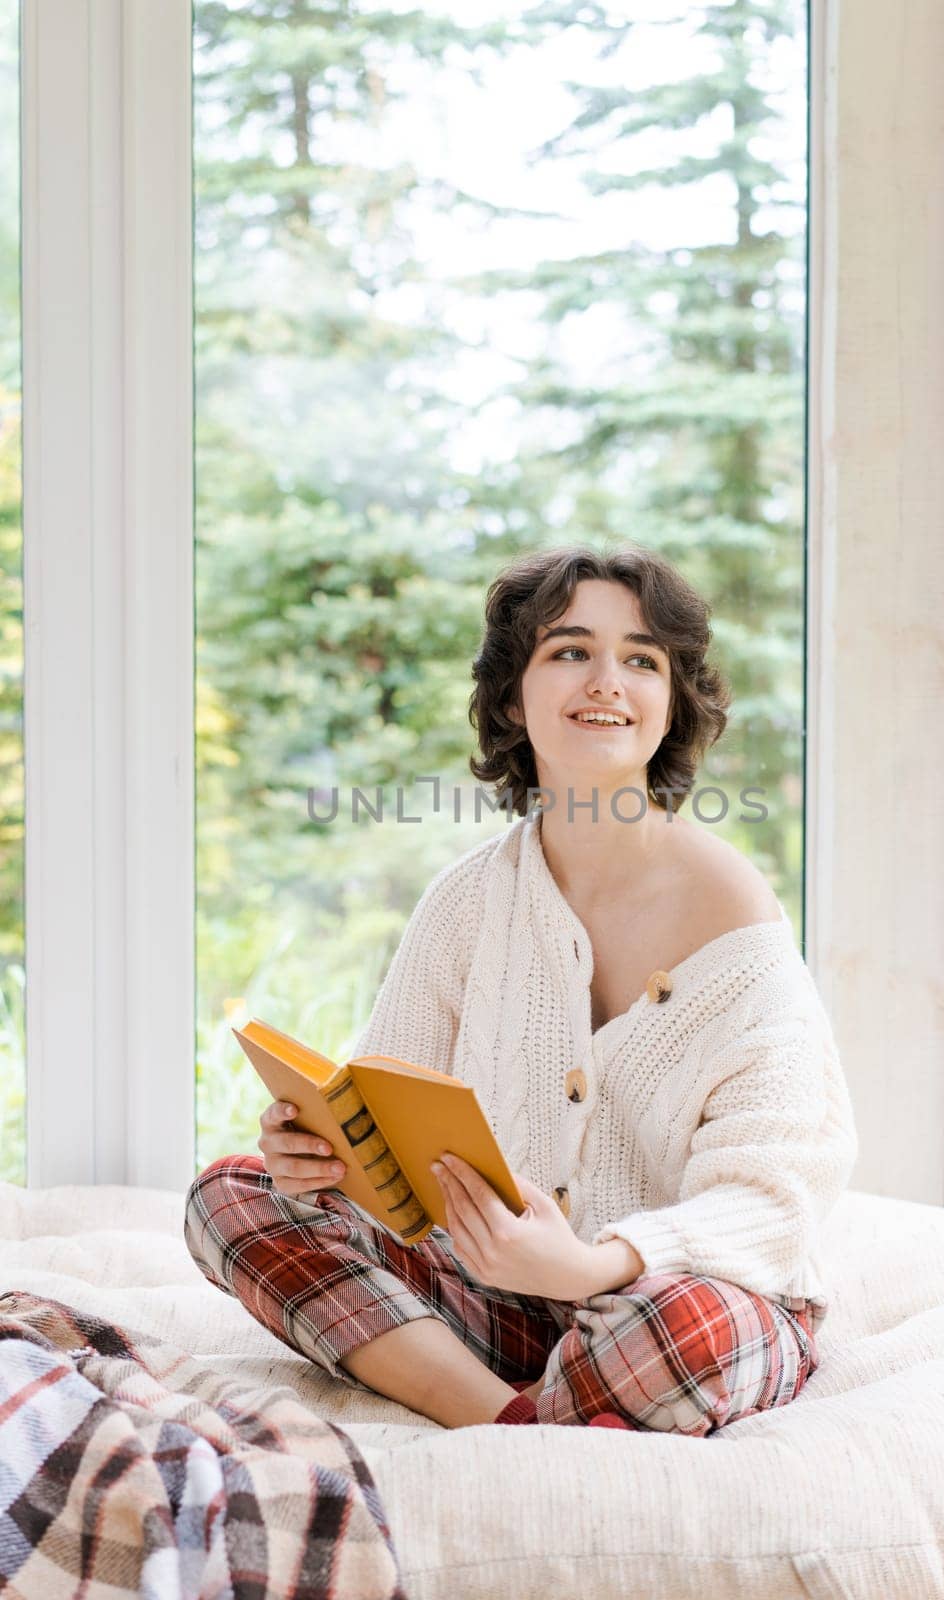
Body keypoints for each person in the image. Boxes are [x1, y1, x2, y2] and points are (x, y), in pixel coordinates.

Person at [184, 543, 858, 1435]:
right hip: (497, 1302)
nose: (606, 679)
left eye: (642, 659)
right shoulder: (467, 900)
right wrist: (322, 1162)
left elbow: (774, 1195)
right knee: (230, 1197)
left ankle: (554, 1397)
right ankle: (510, 1424)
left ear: (670, 705)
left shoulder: (730, 906)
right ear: (511, 696)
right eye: (570, 650)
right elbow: (389, 1129)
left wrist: (592, 1267)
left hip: (674, 1301)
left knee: (676, 1330)